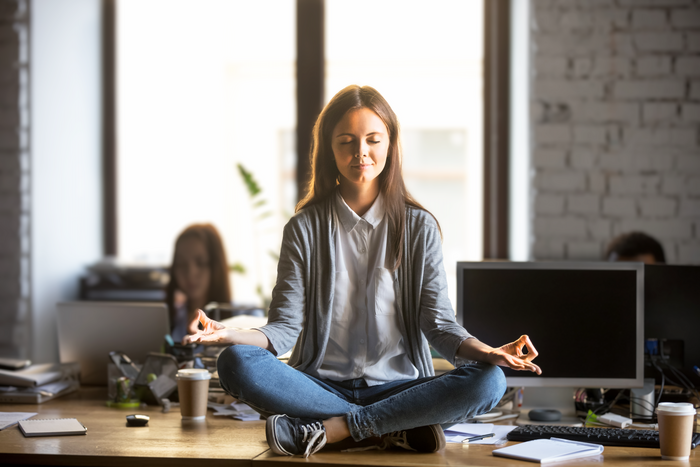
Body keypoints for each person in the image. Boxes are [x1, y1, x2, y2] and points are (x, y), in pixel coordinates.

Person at [183, 85, 541, 457]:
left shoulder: (419, 228)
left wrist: (489, 352)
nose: (361, 153)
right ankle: (388, 427)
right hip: (320, 388)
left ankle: (337, 430)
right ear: (329, 149)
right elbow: (282, 330)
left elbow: (439, 325)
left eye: (373, 139)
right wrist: (227, 334)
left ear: (390, 144)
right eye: (346, 141)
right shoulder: (304, 228)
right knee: (236, 363)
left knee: (489, 381)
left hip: (401, 388)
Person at [166, 223, 232, 343]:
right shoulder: (171, 319)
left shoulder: (247, 316)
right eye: (181, 264)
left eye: (201, 263)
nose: (190, 273)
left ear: (216, 266)